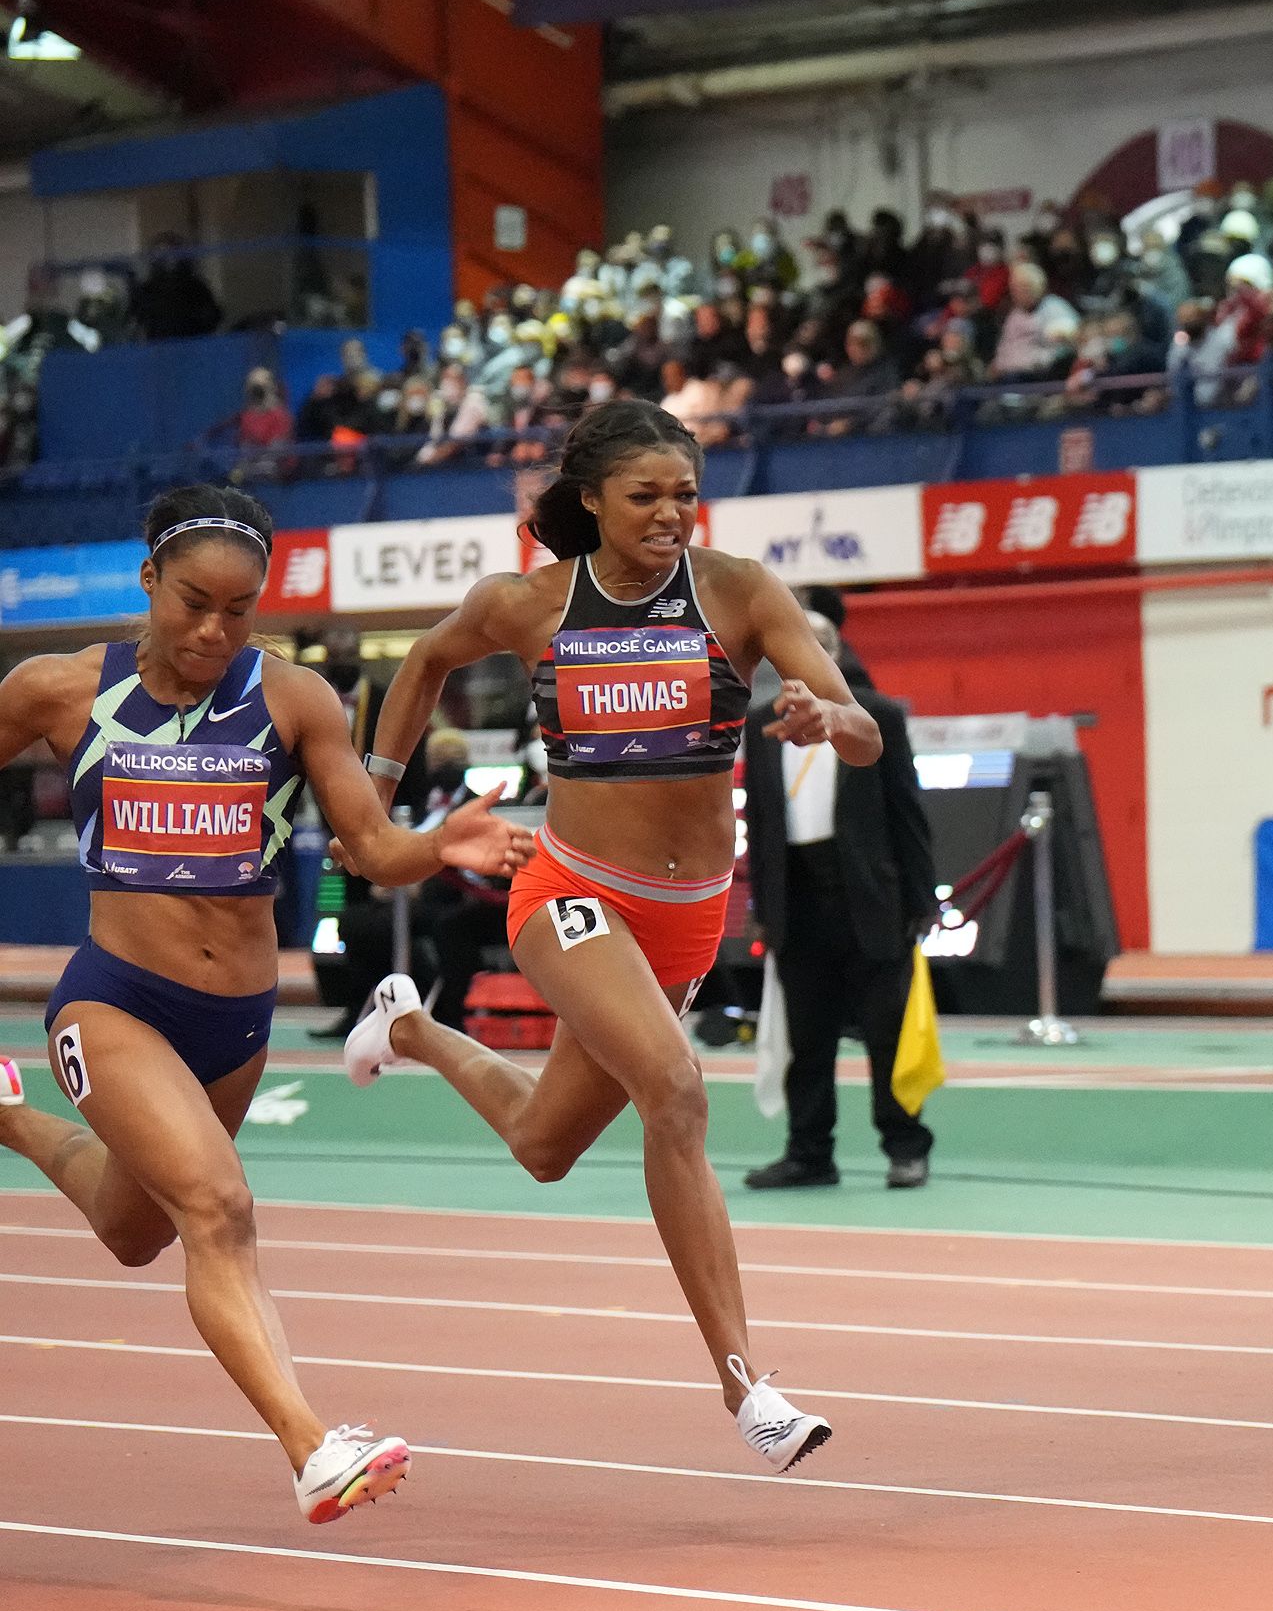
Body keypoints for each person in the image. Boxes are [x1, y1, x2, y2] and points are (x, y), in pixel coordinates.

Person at [346, 399, 880, 1473]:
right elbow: (420, 667)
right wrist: (376, 803)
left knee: (545, 1146)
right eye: (647, 496)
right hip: (568, 890)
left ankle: (407, 1030)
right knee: (676, 1093)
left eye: (686, 493)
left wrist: (832, 720)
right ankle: (748, 1388)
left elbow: (862, 734)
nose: (673, 514)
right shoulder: (529, 603)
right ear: (591, 501)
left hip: (686, 920)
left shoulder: (737, 592)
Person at [0, 484, 525, 1520]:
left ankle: (8, 1115)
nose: (213, 630)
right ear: (147, 580)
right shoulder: (58, 689)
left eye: (239, 611)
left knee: (133, 1227)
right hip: (114, 1000)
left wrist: (439, 846)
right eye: (194, 601)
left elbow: (370, 846)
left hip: (236, 1023)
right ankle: (311, 1444)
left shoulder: (294, 699)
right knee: (219, 1207)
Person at [741, 613, 938, 1190]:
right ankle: (809, 1153)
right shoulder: (760, 724)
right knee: (807, 1037)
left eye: (813, 645)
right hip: (795, 899)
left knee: (888, 1032)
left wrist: (921, 898)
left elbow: (907, 810)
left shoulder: (879, 715)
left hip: (871, 897)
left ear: (832, 653)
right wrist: (764, 899)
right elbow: (760, 818)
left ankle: (906, 1147)